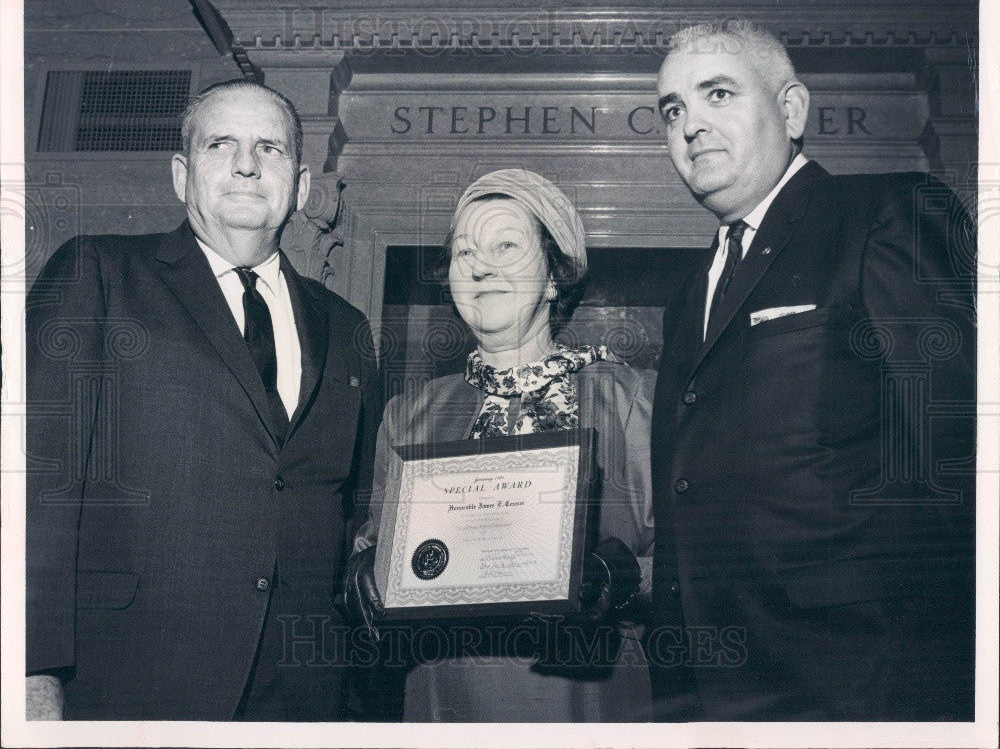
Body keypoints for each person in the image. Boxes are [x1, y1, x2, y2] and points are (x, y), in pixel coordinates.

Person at [649, 19, 976, 720]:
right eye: (673, 109)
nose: (690, 126)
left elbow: (960, 468)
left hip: (860, 684)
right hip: (709, 690)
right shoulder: (687, 297)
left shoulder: (887, 214)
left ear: (792, 109)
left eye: (718, 94)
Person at [25, 79, 380, 720]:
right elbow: (31, 489)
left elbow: (354, 506)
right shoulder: (98, 275)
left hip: (305, 689)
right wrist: (29, 670)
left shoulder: (347, 326)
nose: (247, 163)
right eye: (222, 144)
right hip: (130, 678)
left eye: (270, 148)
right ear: (181, 174)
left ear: (300, 187)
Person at [345, 169, 656, 722]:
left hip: (588, 700)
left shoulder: (630, 400)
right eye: (464, 252)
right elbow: (378, 549)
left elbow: (694, 559)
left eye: (505, 246)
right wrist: (367, 569)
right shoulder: (409, 415)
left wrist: (620, 576)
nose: (480, 266)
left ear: (555, 275)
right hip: (445, 699)